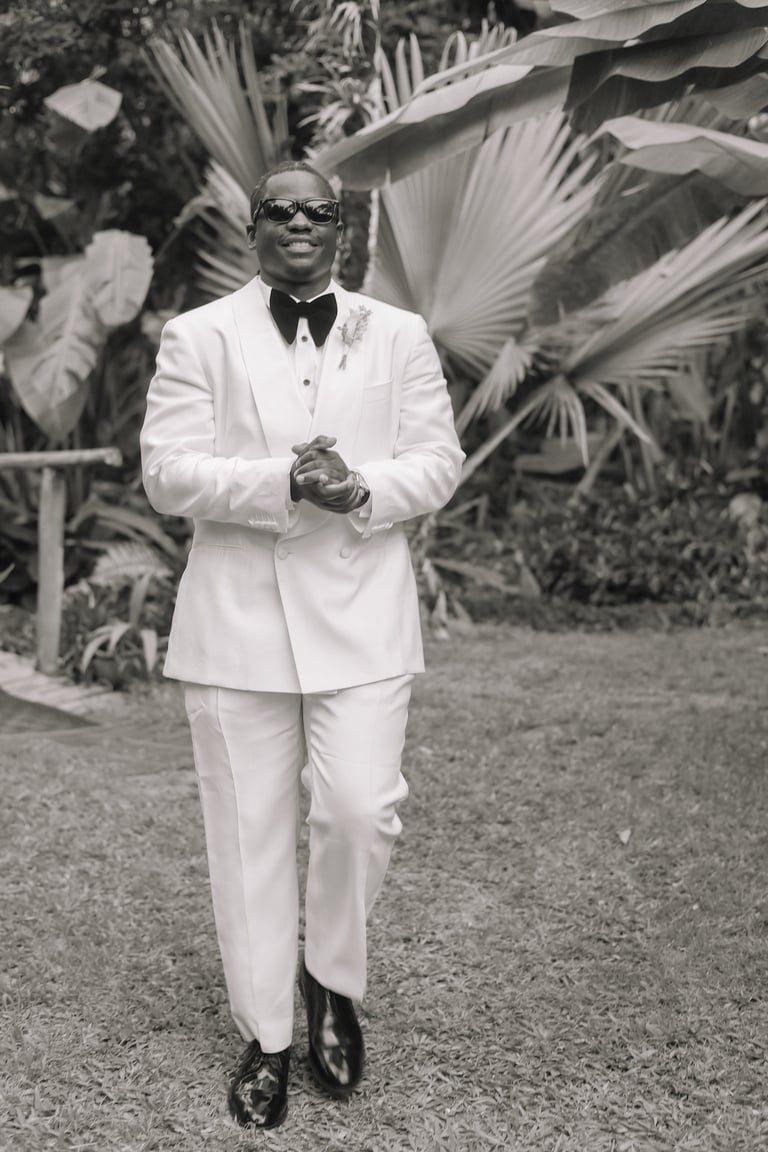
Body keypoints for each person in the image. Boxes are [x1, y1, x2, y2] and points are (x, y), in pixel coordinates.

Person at [140, 160, 464, 1130]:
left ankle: (333, 981)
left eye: (315, 212)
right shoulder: (198, 336)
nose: (296, 225)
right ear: (252, 226)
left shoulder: (397, 333)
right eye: (277, 211)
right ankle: (268, 1036)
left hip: (363, 615)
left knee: (361, 813)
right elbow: (168, 474)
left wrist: (358, 489)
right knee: (247, 835)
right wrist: (284, 482)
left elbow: (437, 461)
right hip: (235, 623)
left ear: (341, 228)